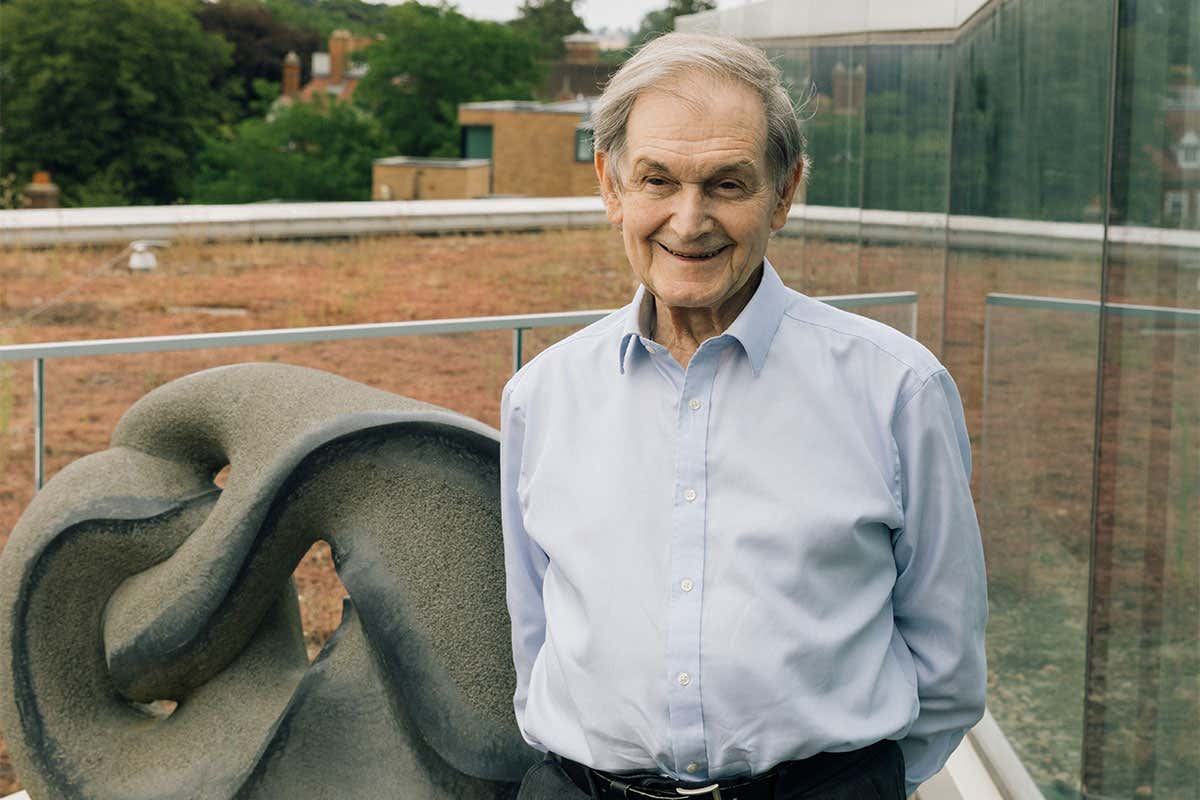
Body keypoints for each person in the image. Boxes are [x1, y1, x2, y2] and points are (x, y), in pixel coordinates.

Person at [500, 32, 987, 800]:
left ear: (784, 193)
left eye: (728, 184)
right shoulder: (541, 396)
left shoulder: (899, 391)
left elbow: (947, 659)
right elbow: (534, 631)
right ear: (610, 185)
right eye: (657, 180)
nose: (688, 220)